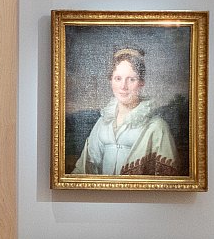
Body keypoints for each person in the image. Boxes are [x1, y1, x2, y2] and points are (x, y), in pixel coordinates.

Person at [75, 47, 180, 175]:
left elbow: (166, 178)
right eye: (118, 78)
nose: (123, 86)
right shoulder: (102, 123)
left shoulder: (157, 127)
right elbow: (85, 167)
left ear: (141, 83)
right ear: (111, 81)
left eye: (131, 79)